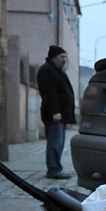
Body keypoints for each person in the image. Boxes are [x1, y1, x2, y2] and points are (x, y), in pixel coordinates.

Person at [36, 45, 77, 179]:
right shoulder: (47, 71)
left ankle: (56, 168)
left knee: (58, 143)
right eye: (61, 57)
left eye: (65, 57)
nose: (64, 60)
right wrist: (55, 111)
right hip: (55, 115)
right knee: (55, 143)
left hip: (60, 115)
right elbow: (48, 94)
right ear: (53, 58)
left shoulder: (57, 71)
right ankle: (54, 169)